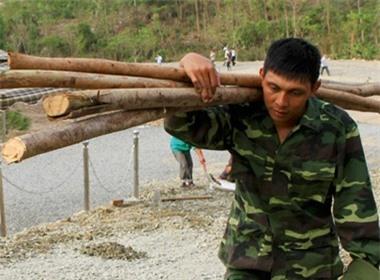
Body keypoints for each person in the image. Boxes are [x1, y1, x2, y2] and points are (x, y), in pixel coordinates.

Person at [164, 38, 379, 279]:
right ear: (261, 75)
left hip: (311, 268)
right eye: (273, 88)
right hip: (247, 263)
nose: (281, 102)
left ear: (314, 88)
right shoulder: (241, 115)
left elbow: (357, 212)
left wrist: (365, 271)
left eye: (295, 93)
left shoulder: (337, 129)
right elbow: (182, 125)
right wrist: (187, 64)